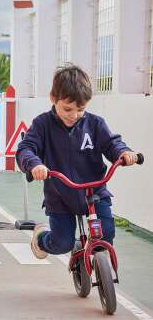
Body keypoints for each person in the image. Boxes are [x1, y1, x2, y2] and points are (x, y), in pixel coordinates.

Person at [16, 64, 138, 259]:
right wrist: (35, 164)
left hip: (94, 193)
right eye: (67, 109)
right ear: (53, 99)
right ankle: (40, 238)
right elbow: (26, 148)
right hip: (60, 196)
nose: (74, 115)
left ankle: (98, 265)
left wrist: (123, 153)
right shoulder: (42, 125)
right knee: (62, 243)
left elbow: (111, 143)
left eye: (80, 109)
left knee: (105, 234)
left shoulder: (95, 124)